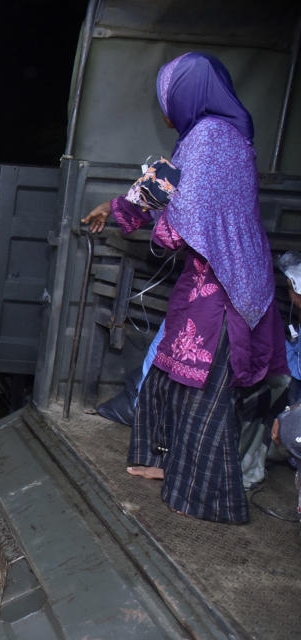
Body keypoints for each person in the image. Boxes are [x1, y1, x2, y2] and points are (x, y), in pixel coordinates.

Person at [81, 52, 287, 523]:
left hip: (223, 288)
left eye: (168, 99)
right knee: (170, 372)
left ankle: (206, 497)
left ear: (189, 95)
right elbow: (168, 187)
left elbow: (177, 226)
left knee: (202, 393)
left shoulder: (210, 140)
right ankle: (159, 463)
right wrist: (115, 209)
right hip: (217, 279)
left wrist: (153, 226)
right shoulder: (218, 137)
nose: (164, 111)